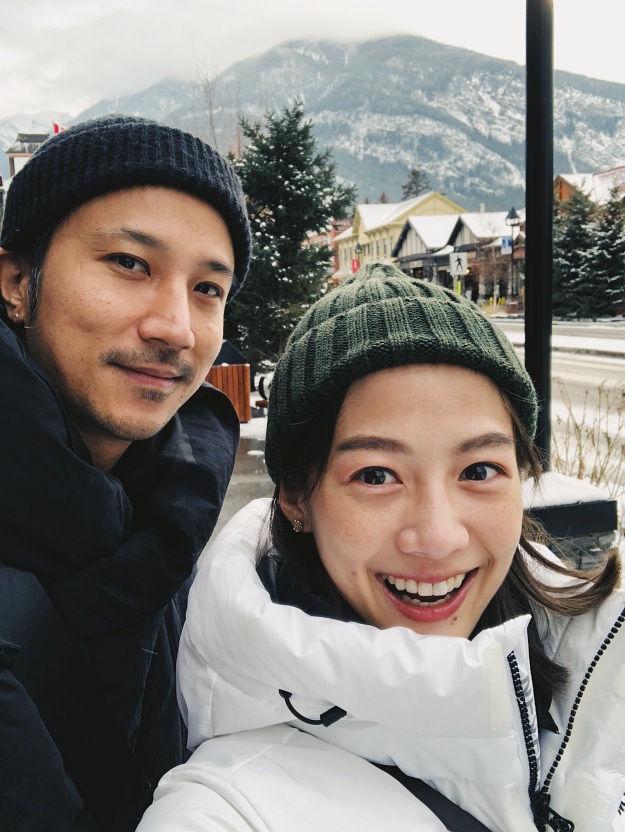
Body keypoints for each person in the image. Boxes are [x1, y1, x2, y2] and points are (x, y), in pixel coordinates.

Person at [137, 263, 625, 832]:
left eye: (479, 470)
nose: (438, 538)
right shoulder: (228, 808)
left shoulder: (602, 673)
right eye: (375, 476)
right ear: (296, 498)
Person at [0, 115, 251, 832]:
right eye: (130, 264)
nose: (175, 327)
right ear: (16, 282)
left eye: (208, 288)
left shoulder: (173, 535)